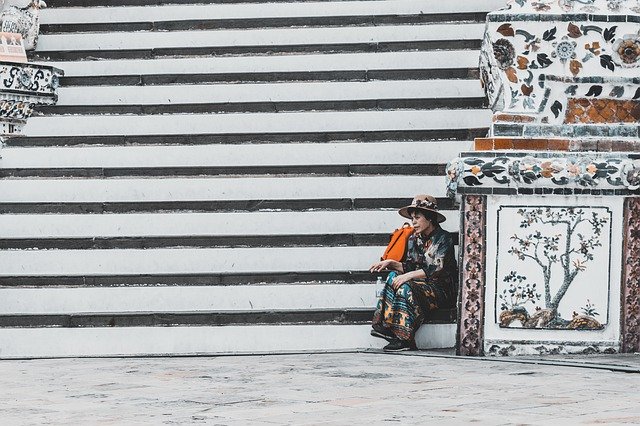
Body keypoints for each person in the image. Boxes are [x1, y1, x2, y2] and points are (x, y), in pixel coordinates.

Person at [369, 195, 458, 352]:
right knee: (392, 276)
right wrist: (392, 263)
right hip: (420, 285)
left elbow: (437, 269)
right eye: (412, 218)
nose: (413, 222)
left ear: (430, 218)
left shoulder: (444, 238)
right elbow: (411, 266)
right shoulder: (414, 238)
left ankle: (405, 339)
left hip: (441, 290)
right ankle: (385, 326)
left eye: (417, 218)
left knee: (406, 287)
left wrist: (408, 276)